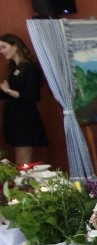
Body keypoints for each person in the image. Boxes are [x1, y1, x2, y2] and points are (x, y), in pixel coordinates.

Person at [0, 34, 48, 165]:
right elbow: (6, 94)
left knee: (23, 162)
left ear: (15, 46)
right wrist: (5, 90)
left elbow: (33, 96)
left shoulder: (30, 68)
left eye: (4, 47)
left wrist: (9, 91)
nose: (1, 51)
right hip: (14, 121)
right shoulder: (13, 69)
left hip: (25, 121)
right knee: (18, 161)